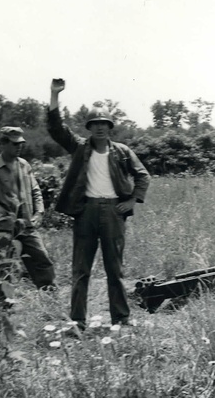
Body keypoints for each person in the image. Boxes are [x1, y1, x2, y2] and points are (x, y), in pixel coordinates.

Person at [47, 79, 151, 329]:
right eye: (94, 124)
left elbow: (143, 175)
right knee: (80, 270)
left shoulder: (122, 151)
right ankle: (77, 322)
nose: (99, 128)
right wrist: (54, 95)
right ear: (89, 128)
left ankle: (122, 319)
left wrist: (131, 201)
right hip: (86, 212)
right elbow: (57, 129)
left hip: (114, 213)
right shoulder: (81, 148)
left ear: (110, 127)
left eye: (104, 124)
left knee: (115, 269)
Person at [0, 127, 56, 301]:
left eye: (21, 143)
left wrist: (39, 212)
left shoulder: (24, 165)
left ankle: (50, 300)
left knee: (41, 259)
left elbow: (35, 190)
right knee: (3, 266)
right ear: (3, 143)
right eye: (15, 144)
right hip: (2, 227)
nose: (19, 147)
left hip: (27, 225)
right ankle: (3, 306)